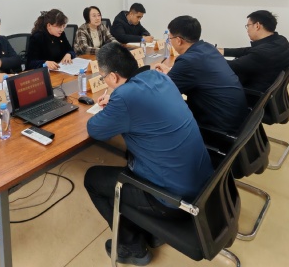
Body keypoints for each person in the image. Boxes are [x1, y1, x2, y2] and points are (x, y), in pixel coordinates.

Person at [85, 43, 213, 266]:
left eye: (103, 77)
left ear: (113, 77)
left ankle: (132, 246)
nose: (104, 81)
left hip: (173, 200)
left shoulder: (124, 98)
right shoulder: (159, 77)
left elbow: (94, 129)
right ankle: (152, 231)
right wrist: (117, 102)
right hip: (202, 184)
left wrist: (115, 104)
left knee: (93, 178)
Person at [152, 16, 248, 135]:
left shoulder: (188, 61)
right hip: (235, 120)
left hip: (218, 130)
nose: (169, 41)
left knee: (154, 110)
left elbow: (161, 94)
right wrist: (171, 74)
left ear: (178, 40)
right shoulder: (208, 48)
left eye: (170, 38)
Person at [218, 10, 289, 92]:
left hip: (249, 92)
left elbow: (230, 66)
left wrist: (210, 55)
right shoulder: (281, 40)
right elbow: (250, 50)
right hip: (267, 87)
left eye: (248, 26)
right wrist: (223, 51)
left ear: (257, 26)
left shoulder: (261, 54)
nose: (247, 30)